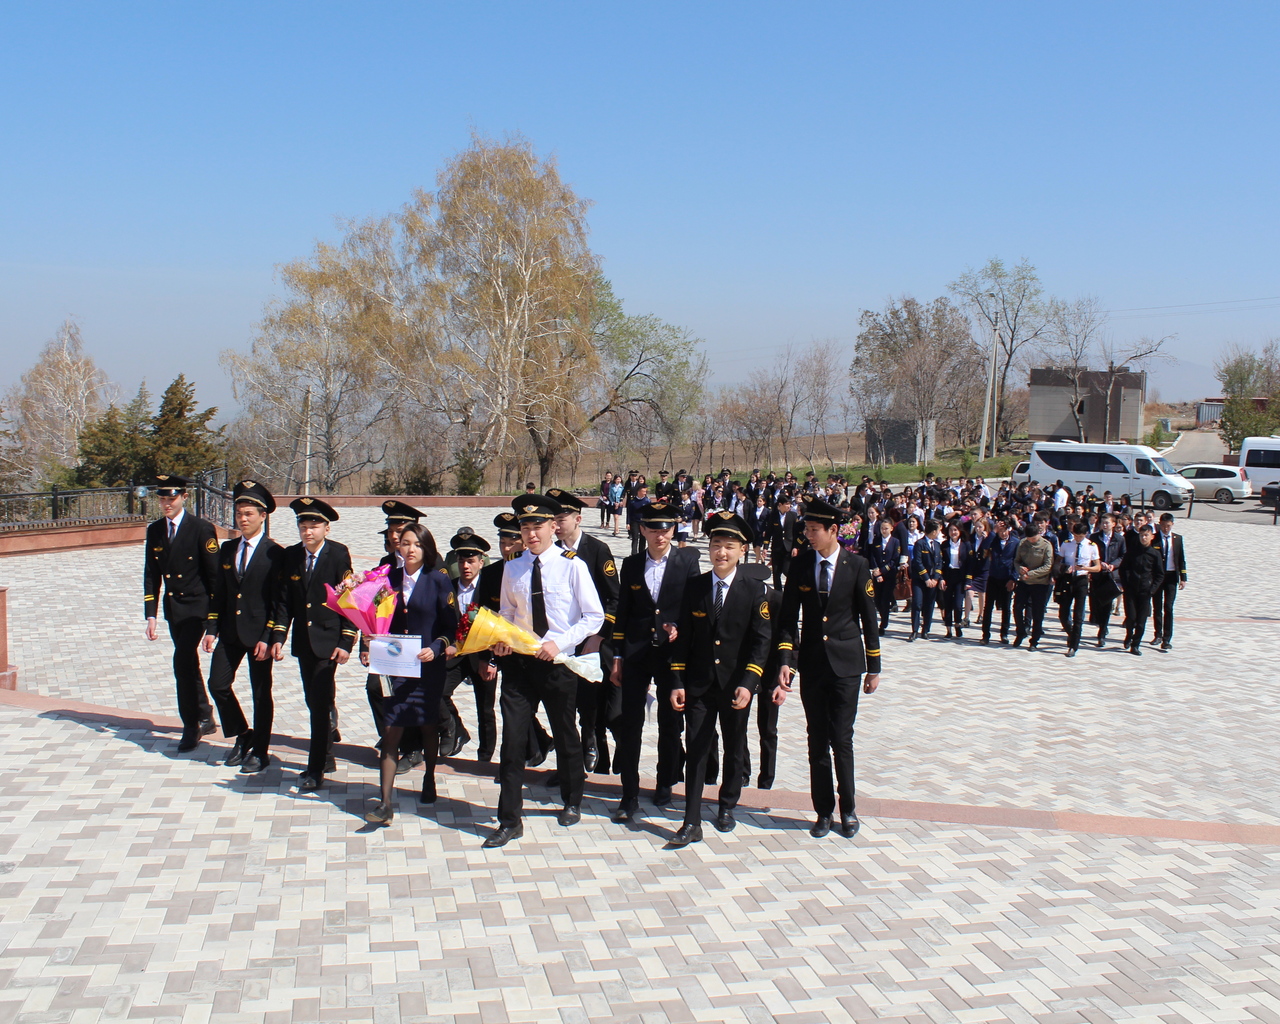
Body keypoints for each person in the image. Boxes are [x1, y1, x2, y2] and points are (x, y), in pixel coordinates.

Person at [483, 495, 605, 849]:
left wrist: (559, 643)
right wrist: (501, 639)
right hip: (520, 665)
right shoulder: (512, 567)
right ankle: (509, 820)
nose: (531, 534)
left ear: (554, 527)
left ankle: (572, 798)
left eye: (538, 526)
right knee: (513, 741)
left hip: (557, 664)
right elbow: (508, 612)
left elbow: (593, 616)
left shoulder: (572, 566)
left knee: (565, 734)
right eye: (525, 527)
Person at [773, 497, 881, 840]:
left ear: (833, 530)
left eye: (814, 530)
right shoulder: (801, 564)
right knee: (816, 740)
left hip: (847, 665)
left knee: (842, 739)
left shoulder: (856, 565)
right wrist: (786, 661)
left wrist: (874, 667)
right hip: (813, 664)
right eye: (806, 529)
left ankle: (848, 809)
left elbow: (869, 618)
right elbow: (788, 619)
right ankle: (823, 811)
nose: (808, 535)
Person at [666, 511, 771, 847]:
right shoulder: (695, 587)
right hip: (699, 684)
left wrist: (749, 683)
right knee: (697, 747)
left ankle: (727, 805)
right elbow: (683, 639)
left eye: (729, 546)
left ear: (743, 550)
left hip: (735, 685)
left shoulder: (755, 590)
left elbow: (761, 642)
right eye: (715, 545)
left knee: (734, 746)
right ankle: (691, 820)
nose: (721, 553)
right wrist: (677, 681)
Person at [608, 501, 701, 821]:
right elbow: (623, 612)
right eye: (653, 529)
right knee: (630, 723)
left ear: (673, 530)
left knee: (670, 723)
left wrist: (680, 626)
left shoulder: (687, 561)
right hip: (636, 653)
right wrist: (617, 656)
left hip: (672, 656)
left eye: (666, 529)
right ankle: (629, 793)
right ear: (642, 529)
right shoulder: (632, 564)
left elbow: (694, 606)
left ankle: (665, 782)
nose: (660, 535)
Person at [365, 524, 458, 825]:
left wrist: (436, 647)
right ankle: (385, 803)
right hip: (395, 666)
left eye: (417, 544)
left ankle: (429, 777)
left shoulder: (438, 580)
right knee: (391, 729)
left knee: (427, 726)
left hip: (427, 666)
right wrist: (370, 639)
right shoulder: (387, 579)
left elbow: (451, 626)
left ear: (426, 547)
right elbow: (376, 619)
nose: (410, 549)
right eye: (405, 543)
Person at [270, 497, 356, 791]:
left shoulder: (338, 554)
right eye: (303, 526)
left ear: (326, 529)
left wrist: (347, 640)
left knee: (318, 704)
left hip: (328, 640)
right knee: (314, 699)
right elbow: (285, 599)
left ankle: (316, 767)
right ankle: (328, 748)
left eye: (314, 526)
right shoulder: (292, 555)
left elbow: (349, 599)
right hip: (304, 641)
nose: (308, 532)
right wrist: (279, 636)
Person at [202, 480, 284, 773]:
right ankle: (242, 732)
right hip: (230, 632)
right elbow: (219, 593)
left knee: (261, 694)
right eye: (239, 514)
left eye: (249, 514)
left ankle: (260, 751)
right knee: (217, 684)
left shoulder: (275, 553)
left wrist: (269, 636)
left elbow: (278, 601)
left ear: (263, 516)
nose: (243, 519)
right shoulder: (227, 549)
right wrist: (212, 628)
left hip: (259, 635)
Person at [143, 474, 219, 752]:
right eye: (162, 499)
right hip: (174, 608)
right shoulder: (155, 530)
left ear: (184, 497)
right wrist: (151, 614)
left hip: (197, 608)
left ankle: (191, 724)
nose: (166, 504)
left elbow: (215, 577)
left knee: (181, 662)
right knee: (188, 662)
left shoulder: (201, 528)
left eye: (171, 499)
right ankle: (205, 714)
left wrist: (213, 622)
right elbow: (151, 574)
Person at [546, 488, 620, 774]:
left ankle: (593, 749)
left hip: (591, 640)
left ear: (577, 518)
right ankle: (569, 766)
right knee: (563, 702)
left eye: (562, 518)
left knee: (591, 703)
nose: (557, 524)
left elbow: (614, 597)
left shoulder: (597, 550)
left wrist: (599, 636)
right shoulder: (551, 551)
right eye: (553, 519)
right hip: (562, 640)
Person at [439, 532, 493, 760]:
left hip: (482, 657)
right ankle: (457, 730)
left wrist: (490, 661)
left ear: (481, 562)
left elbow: (499, 626)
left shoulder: (490, 589)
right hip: (457, 655)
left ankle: (485, 756)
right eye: (461, 561)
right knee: (438, 693)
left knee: (485, 710)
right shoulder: (449, 587)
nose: (465, 566)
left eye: (471, 561)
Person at [1119, 524, 1163, 655]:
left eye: (1146, 535)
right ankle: (1129, 635)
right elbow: (1123, 569)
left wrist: (1152, 589)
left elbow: (1160, 574)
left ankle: (1135, 645)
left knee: (1141, 621)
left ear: (1152, 537)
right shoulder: (1132, 552)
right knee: (1131, 617)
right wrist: (1126, 584)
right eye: (1141, 535)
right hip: (1131, 590)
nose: (1143, 538)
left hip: (1145, 591)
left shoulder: (1155, 554)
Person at [1058, 522, 1100, 657]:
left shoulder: (1091, 546)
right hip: (1068, 579)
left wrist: (1085, 568)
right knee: (1063, 613)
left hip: (1082, 580)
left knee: (1078, 614)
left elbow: (1097, 567)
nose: (1078, 539)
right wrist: (1064, 568)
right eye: (1076, 536)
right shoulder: (1066, 544)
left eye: (1080, 536)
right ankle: (1072, 634)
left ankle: (1073, 645)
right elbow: (1058, 561)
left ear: (1085, 534)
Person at [1012, 520, 1054, 650]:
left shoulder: (1046, 545)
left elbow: (1048, 566)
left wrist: (1031, 574)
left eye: (1033, 539)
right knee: (1017, 608)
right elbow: (1016, 561)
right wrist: (1020, 569)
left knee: (1037, 613)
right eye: (1029, 539)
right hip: (1024, 582)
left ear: (1039, 534)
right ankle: (1021, 632)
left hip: (1040, 583)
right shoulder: (1022, 543)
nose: (1031, 541)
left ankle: (1034, 640)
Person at [980, 518, 1019, 645]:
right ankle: (985, 634)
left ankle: (1004, 633)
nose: (1003, 533)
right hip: (993, 576)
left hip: (1007, 578)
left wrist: (1013, 578)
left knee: (1006, 607)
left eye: (1005, 530)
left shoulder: (1015, 542)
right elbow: (984, 546)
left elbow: (1017, 561)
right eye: (1000, 531)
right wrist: (993, 532)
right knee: (988, 607)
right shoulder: (994, 539)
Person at [1151, 513, 1187, 651]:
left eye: (1168, 526)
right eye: (1163, 526)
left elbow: (1181, 558)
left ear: (1172, 524)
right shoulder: (1154, 538)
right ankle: (1158, 634)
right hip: (1157, 577)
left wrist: (1183, 577)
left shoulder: (1177, 539)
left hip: (1171, 576)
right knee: (1157, 607)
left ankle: (1167, 638)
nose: (1165, 529)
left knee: (1169, 607)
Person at [1089, 513, 1126, 647]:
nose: (1104, 525)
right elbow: (1089, 554)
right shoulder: (1094, 537)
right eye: (1102, 523)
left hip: (1110, 576)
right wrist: (1098, 563)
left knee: (1107, 604)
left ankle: (1102, 632)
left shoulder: (1119, 539)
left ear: (1113, 524)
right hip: (1097, 574)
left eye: (1107, 523)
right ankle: (1101, 624)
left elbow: (1123, 555)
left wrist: (1113, 565)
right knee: (1096, 605)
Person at [866, 518, 901, 635]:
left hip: (889, 575)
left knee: (885, 600)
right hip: (877, 574)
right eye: (882, 528)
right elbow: (873, 556)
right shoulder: (876, 540)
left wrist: (882, 571)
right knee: (877, 600)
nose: (884, 531)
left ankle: (883, 624)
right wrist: (876, 570)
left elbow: (895, 559)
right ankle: (882, 615)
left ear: (891, 528)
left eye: (886, 528)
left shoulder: (895, 542)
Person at [908, 519, 942, 641]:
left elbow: (939, 563)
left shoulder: (937, 545)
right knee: (917, 604)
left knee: (929, 605)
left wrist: (936, 579)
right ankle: (915, 630)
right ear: (933, 531)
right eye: (938, 530)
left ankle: (926, 630)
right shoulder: (920, 544)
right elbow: (918, 562)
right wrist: (926, 578)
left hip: (932, 581)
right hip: (920, 580)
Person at [938, 522, 972, 640]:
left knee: (958, 604)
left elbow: (970, 564)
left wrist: (968, 580)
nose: (953, 532)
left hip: (960, 576)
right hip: (948, 576)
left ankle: (957, 623)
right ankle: (948, 629)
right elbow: (940, 563)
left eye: (956, 530)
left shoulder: (966, 545)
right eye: (951, 530)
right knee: (947, 603)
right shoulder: (944, 545)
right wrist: (941, 578)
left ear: (960, 531)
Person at [768, 494, 799, 589]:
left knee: (787, 570)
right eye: (787, 504)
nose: (789, 506)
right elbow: (769, 531)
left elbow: (796, 533)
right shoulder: (773, 515)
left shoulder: (793, 515)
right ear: (780, 505)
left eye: (789, 504)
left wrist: (796, 547)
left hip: (788, 548)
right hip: (777, 547)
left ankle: (791, 589)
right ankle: (778, 593)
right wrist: (765, 547)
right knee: (776, 572)